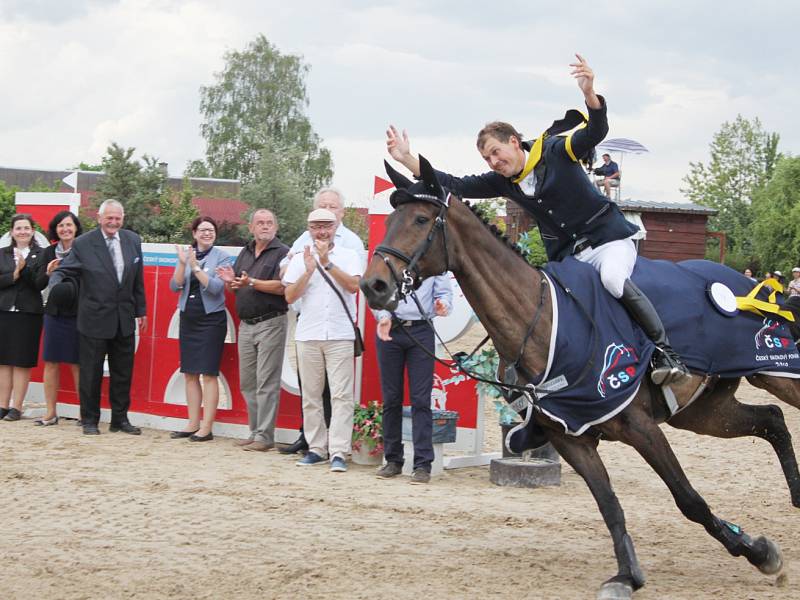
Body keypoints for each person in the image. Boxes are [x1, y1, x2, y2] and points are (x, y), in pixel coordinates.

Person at [386, 53, 689, 387]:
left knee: (614, 281)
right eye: (487, 158)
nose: (493, 162)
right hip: (569, 257)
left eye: (496, 153)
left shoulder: (557, 150)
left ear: (514, 142)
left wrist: (590, 95)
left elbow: (596, 132)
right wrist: (406, 159)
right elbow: (455, 185)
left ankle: (665, 352)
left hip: (607, 240)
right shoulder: (502, 181)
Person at [279, 187, 367, 455]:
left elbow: (354, 285)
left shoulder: (351, 245)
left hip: (339, 328)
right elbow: (287, 277)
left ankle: (338, 448)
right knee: (311, 392)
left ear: (340, 215)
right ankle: (312, 443)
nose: (322, 228)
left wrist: (327, 262)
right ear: (310, 225)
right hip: (308, 324)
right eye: (317, 222)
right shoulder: (301, 242)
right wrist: (302, 268)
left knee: (339, 393)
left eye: (332, 209)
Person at [49, 199, 147, 436]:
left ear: (122, 219)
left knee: (123, 373)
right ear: (99, 218)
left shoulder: (133, 240)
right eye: (109, 218)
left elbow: (137, 280)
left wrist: (141, 311)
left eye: (117, 218)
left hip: (124, 318)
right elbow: (64, 269)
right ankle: (90, 420)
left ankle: (120, 420)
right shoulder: (83, 243)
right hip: (93, 319)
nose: (113, 222)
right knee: (91, 373)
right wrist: (54, 285)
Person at [217, 209, 288, 452]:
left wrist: (250, 282)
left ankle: (265, 436)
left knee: (266, 382)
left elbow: (282, 287)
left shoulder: (283, 253)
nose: (265, 226)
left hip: (271, 322)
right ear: (251, 227)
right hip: (246, 324)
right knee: (248, 382)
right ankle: (255, 431)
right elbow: (237, 287)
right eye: (260, 223)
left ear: (276, 228)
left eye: (269, 223)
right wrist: (232, 283)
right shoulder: (245, 252)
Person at [373, 275, 452, 484]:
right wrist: (383, 315)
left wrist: (443, 305)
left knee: (421, 400)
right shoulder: (390, 257)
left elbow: (444, 294)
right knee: (391, 398)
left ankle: (422, 464)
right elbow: (376, 290)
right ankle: (393, 460)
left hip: (421, 329)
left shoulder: (433, 262)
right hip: (391, 327)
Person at [169, 216, 232, 442]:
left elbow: (215, 288)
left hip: (211, 320)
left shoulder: (221, 256)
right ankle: (192, 422)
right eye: (203, 230)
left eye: (211, 230)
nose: (207, 233)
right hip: (189, 318)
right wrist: (184, 263)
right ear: (194, 233)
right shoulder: (186, 254)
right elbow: (174, 285)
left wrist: (195, 267)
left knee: (209, 373)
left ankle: (206, 427)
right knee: (190, 373)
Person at [32, 211, 83, 426]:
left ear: (76, 228)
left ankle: (84, 413)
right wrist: (47, 272)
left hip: (78, 314)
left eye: (69, 225)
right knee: (51, 362)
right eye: (61, 226)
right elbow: (37, 284)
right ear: (56, 229)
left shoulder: (84, 251)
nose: (65, 229)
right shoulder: (48, 252)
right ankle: (50, 412)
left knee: (77, 364)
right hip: (53, 313)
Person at [0, 214, 47, 422]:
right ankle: (2, 405)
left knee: (21, 362)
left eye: (26, 228)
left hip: (28, 314)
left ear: (33, 231)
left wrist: (24, 269)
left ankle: (16, 407)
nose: (22, 232)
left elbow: (39, 284)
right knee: (3, 361)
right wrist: (14, 275)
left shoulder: (42, 254)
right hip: (4, 312)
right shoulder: (2, 254)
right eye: (18, 228)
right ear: (11, 232)